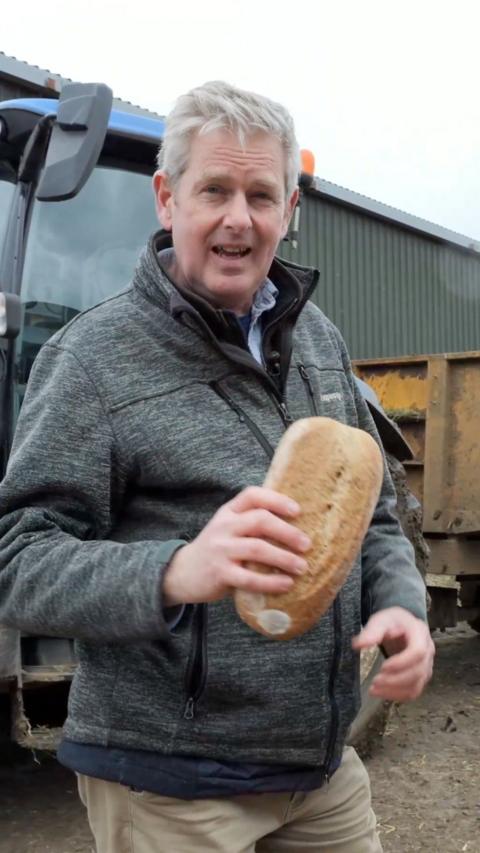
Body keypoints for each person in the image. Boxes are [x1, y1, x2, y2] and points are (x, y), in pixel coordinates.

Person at [0, 81, 434, 853]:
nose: (240, 217)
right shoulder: (92, 359)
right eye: (215, 191)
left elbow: (367, 513)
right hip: (170, 784)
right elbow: (17, 559)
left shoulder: (320, 343)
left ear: (289, 210)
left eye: (262, 195)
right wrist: (175, 570)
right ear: (168, 199)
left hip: (319, 767)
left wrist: (400, 603)